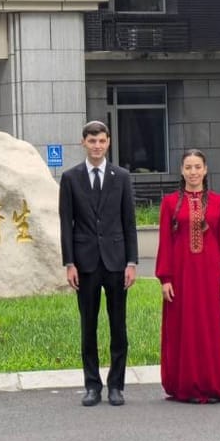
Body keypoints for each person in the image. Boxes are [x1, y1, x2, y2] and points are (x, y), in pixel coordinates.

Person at [59, 121, 138, 406]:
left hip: (117, 262)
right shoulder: (70, 178)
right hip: (85, 262)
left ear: (108, 143)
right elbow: (66, 224)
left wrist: (132, 262)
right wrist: (69, 262)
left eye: (102, 141)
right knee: (88, 326)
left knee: (119, 326)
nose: (97, 146)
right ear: (83, 143)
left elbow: (129, 223)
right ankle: (92, 385)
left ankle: (116, 385)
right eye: (92, 141)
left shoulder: (122, 176)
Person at [155, 149, 220, 403]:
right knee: (185, 328)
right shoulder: (170, 203)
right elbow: (165, 243)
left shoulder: (218, 201)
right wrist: (165, 278)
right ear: (182, 171)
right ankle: (187, 386)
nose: (193, 172)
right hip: (181, 276)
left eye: (197, 167)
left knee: (209, 328)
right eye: (188, 167)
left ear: (205, 170)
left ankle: (211, 384)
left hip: (210, 276)